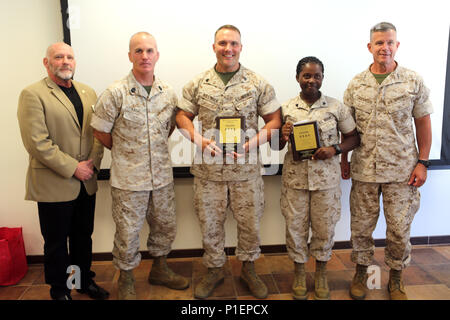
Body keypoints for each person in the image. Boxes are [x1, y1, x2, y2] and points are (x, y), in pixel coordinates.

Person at [176, 25, 282, 299]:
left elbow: (274, 120)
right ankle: (214, 270)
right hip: (209, 172)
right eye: (222, 43)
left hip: (246, 172)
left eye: (233, 43)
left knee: (250, 223)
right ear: (214, 47)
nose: (228, 49)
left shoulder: (257, 83)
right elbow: (181, 116)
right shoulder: (198, 83)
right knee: (210, 223)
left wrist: (252, 143)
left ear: (241, 47)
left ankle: (248, 269)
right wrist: (199, 140)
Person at [90, 32, 188, 300]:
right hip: (128, 181)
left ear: (157, 55)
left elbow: (166, 129)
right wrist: (125, 150)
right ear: (130, 55)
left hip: (162, 179)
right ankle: (127, 279)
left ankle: (160, 269)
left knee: (165, 227)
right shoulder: (115, 92)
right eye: (138, 51)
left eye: (149, 51)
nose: (144, 56)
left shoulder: (168, 93)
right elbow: (100, 131)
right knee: (127, 232)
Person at [342, 22, 433, 300]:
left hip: (402, 171)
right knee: (361, 227)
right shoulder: (356, 84)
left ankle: (396, 278)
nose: (385, 47)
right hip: (365, 170)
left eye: (390, 42)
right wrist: (343, 159)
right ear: (370, 47)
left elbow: (423, 124)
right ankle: (363, 274)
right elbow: (347, 127)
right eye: (379, 43)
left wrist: (423, 162)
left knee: (398, 228)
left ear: (397, 45)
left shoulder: (412, 81)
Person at [17, 42, 108, 300]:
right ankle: (60, 290)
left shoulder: (88, 92)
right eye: (58, 57)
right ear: (47, 63)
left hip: (86, 181)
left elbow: (99, 134)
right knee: (57, 244)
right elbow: (37, 142)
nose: (65, 61)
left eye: (70, 57)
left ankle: (82, 283)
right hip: (54, 183)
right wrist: (73, 168)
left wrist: (91, 163)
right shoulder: (32, 94)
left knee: (82, 238)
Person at [278, 57, 359, 300]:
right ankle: (300, 274)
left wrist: (335, 150)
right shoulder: (285, 108)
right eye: (306, 76)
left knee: (324, 229)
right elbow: (274, 145)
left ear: (322, 78)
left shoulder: (336, 107)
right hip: (295, 182)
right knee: (295, 229)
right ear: (297, 78)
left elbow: (353, 137)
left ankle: (321, 273)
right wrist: (281, 135)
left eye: (316, 76)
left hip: (326, 182)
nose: (311, 80)